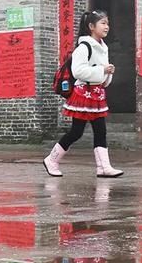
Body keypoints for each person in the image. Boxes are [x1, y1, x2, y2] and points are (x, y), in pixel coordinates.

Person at [43, 10, 123, 178]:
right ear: (91, 26)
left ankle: (104, 167)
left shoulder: (102, 47)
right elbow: (78, 71)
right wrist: (102, 69)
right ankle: (51, 159)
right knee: (76, 132)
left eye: (107, 23)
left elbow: (99, 74)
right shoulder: (84, 46)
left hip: (96, 92)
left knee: (100, 130)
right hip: (83, 94)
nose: (106, 27)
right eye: (103, 23)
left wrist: (107, 73)